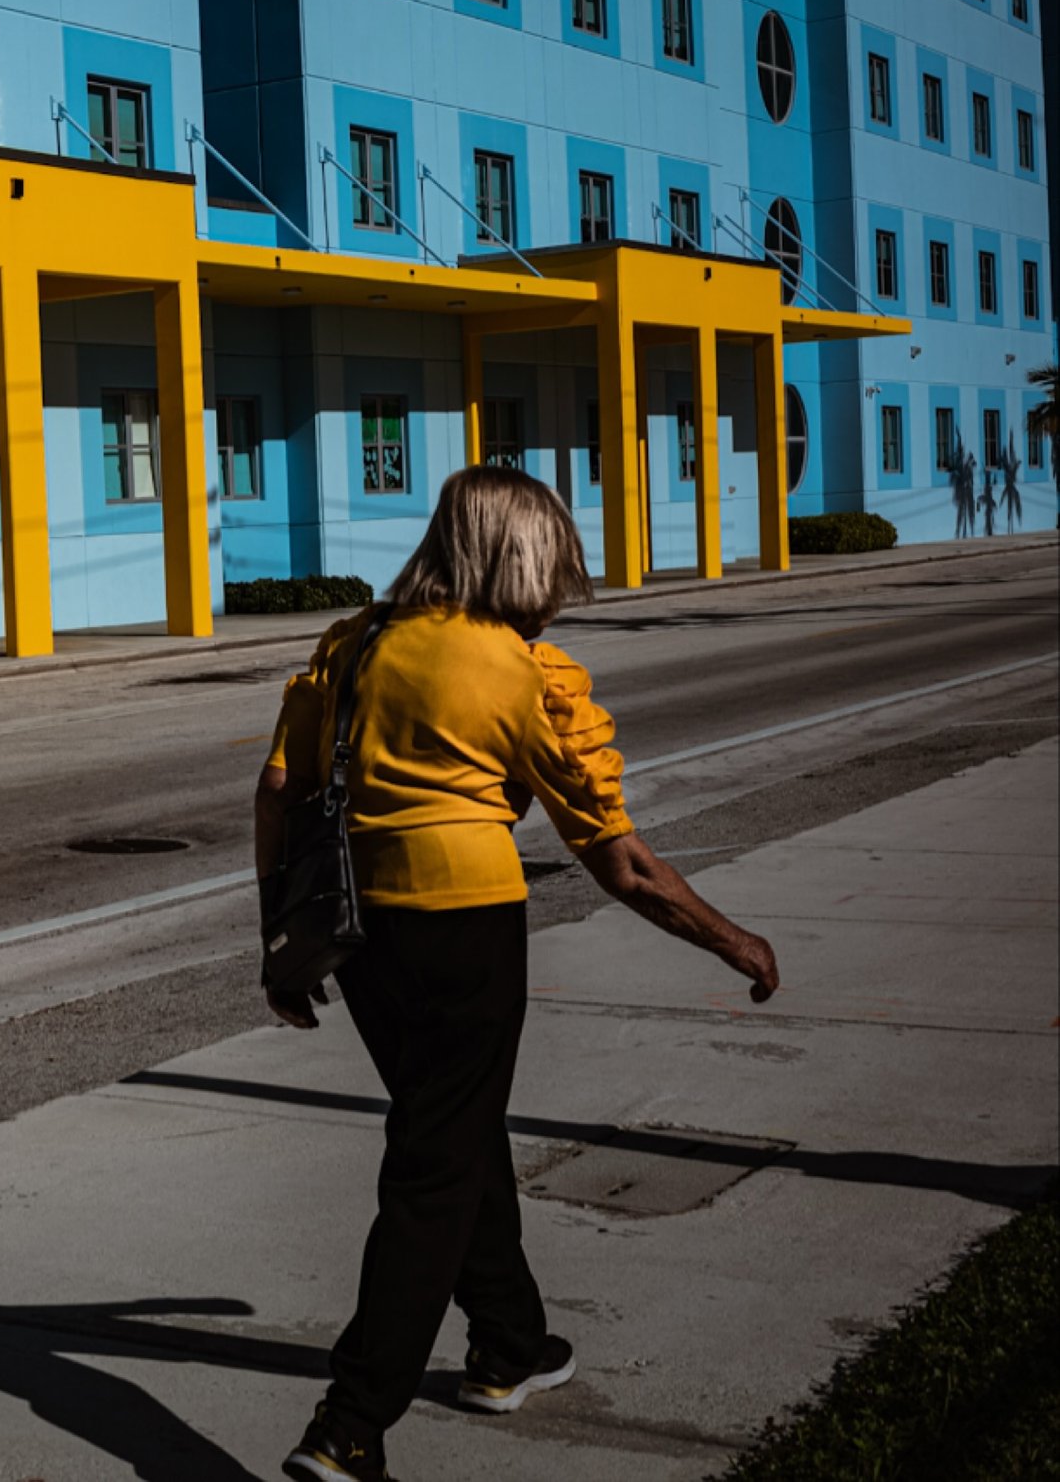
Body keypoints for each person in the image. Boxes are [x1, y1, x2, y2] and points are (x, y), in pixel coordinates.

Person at [257, 466, 780, 1482]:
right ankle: (349, 1423)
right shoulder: (522, 672)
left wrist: (276, 941)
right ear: (526, 553)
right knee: (434, 1164)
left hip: (360, 936)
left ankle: (507, 1345)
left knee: (450, 1125)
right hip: (463, 928)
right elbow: (622, 864)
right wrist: (731, 940)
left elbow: (279, 789)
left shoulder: (351, 642)